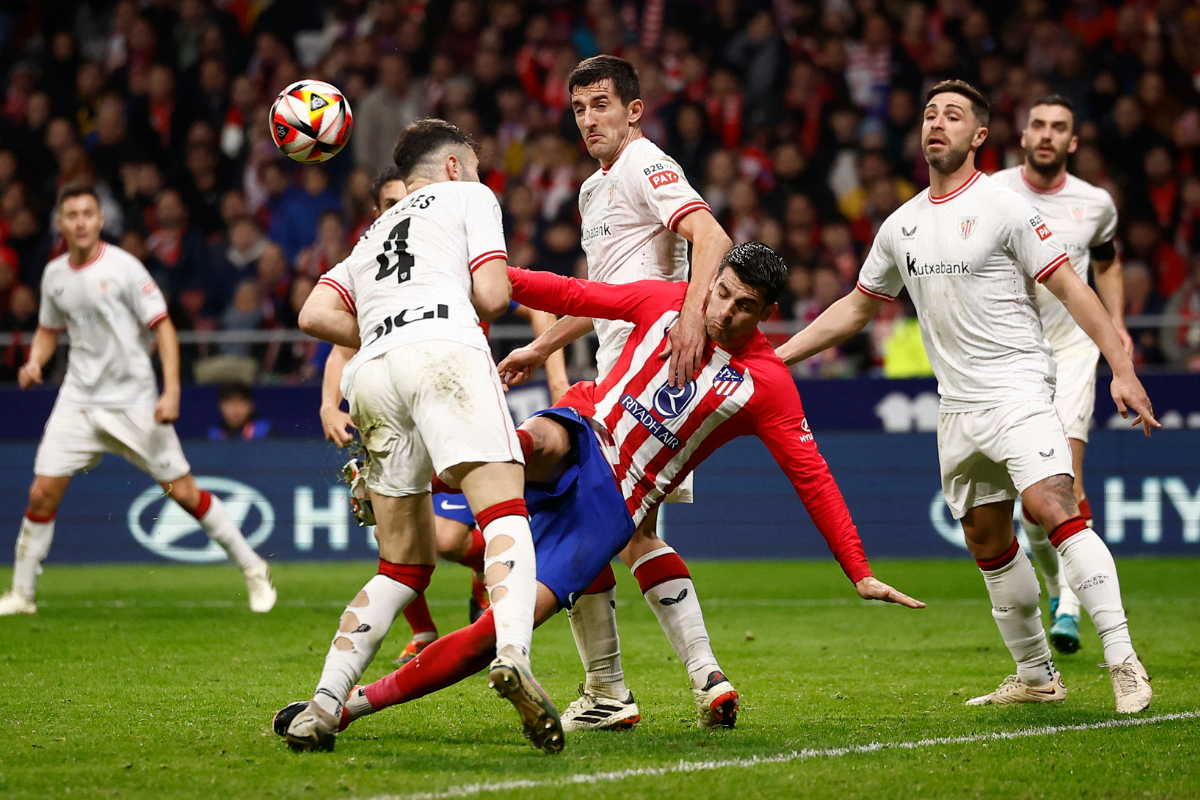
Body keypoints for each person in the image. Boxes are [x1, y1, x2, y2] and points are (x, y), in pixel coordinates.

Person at [273, 243, 921, 745]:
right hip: (583, 428)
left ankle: (346, 709)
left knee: (496, 633)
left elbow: (813, 477)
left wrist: (858, 570)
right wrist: (485, 275)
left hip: (612, 507)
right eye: (720, 294)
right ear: (711, 281)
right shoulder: (667, 301)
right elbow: (576, 293)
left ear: (766, 314)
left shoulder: (766, 385)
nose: (721, 312)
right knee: (536, 443)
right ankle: (422, 457)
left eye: (741, 307)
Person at [776, 80, 1157, 714]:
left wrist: (1121, 366)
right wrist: (777, 357)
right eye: (929, 114)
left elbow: (1072, 287)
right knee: (987, 541)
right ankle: (1035, 676)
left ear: (978, 136)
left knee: (1053, 505)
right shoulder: (901, 225)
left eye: (952, 116)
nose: (936, 124)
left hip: (1019, 391)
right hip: (957, 408)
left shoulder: (1006, 207)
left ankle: (1123, 660)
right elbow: (855, 310)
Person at [288, 119, 561, 755]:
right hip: (446, 351)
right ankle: (514, 654)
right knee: (504, 510)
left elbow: (312, 315)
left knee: (402, 563)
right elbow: (493, 295)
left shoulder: (369, 238)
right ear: (453, 167)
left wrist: (388, 323)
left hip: (375, 371)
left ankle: (324, 703)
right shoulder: (472, 197)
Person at [497, 54, 741, 733]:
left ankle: (612, 692)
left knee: (579, 515)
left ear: (633, 109)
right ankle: (702, 677)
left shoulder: (644, 163)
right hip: (619, 371)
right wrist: (544, 345)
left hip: (647, 374)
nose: (588, 119)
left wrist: (692, 318)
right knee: (629, 532)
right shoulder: (591, 191)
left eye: (601, 104)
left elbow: (711, 235)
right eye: (578, 108)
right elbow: (606, 292)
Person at [318, 167, 570, 667]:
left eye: (404, 199)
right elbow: (338, 345)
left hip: (455, 397)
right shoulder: (376, 261)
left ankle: (495, 600)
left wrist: (554, 373)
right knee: (403, 534)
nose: (399, 210)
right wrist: (329, 403)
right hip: (401, 395)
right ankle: (437, 629)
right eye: (388, 203)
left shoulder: (449, 254)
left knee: (450, 536)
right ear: (377, 212)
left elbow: (528, 304)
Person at [0, 185, 276, 617]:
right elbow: (49, 330)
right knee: (41, 494)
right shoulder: (54, 275)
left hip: (133, 401)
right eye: (71, 214)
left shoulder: (125, 268)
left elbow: (163, 327)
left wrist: (171, 391)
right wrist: (35, 361)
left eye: (88, 213)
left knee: (184, 493)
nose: (80, 222)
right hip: (78, 399)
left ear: (99, 219)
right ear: (60, 223)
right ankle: (21, 595)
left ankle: (253, 567)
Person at [992, 95, 1132, 655]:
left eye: (1059, 129)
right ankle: (1056, 586)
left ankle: (1072, 606)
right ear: (1022, 136)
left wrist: (1115, 324)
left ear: (1073, 142)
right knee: (1027, 500)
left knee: (1062, 479)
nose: (1047, 135)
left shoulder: (1095, 203)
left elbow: (1107, 261)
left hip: (1073, 349)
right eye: (1038, 126)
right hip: (1014, 350)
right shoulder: (993, 192)